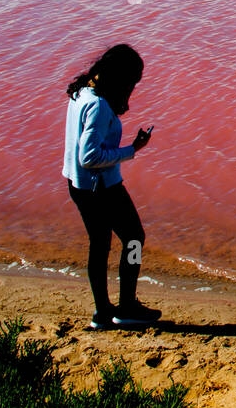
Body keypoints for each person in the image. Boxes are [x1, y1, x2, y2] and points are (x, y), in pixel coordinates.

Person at [62, 43, 162, 329]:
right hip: (101, 188)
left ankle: (103, 312)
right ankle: (127, 306)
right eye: (133, 81)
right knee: (134, 238)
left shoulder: (81, 91)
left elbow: (79, 154)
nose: (133, 87)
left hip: (78, 186)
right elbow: (90, 156)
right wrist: (132, 149)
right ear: (121, 77)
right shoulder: (98, 105)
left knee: (100, 245)